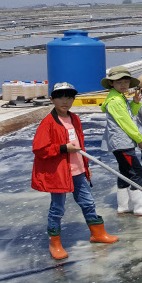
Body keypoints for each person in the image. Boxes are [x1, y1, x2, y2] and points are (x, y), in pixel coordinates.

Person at [32, 82, 118, 260]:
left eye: (69, 97)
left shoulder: (75, 119)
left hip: (78, 170)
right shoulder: (47, 123)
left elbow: (80, 146)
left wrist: (86, 167)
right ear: (52, 99)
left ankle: (97, 234)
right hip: (59, 173)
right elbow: (39, 148)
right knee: (57, 208)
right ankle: (54, 243)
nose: (65, 101)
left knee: (88, 202)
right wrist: (63, 148)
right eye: (61, 97)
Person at [100, 66, 142, 217]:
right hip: (122, 143)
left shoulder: (119, 98)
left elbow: (129, 114)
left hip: (122, 142)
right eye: (119, 82)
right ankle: (139, 207)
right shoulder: (114, 101)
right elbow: (126, 122)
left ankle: (123, 206)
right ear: (112, 83)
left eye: (126, 81)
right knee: (137, 172)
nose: (123, 85)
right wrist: (140, 140)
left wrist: (135, 102)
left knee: (125, 172)